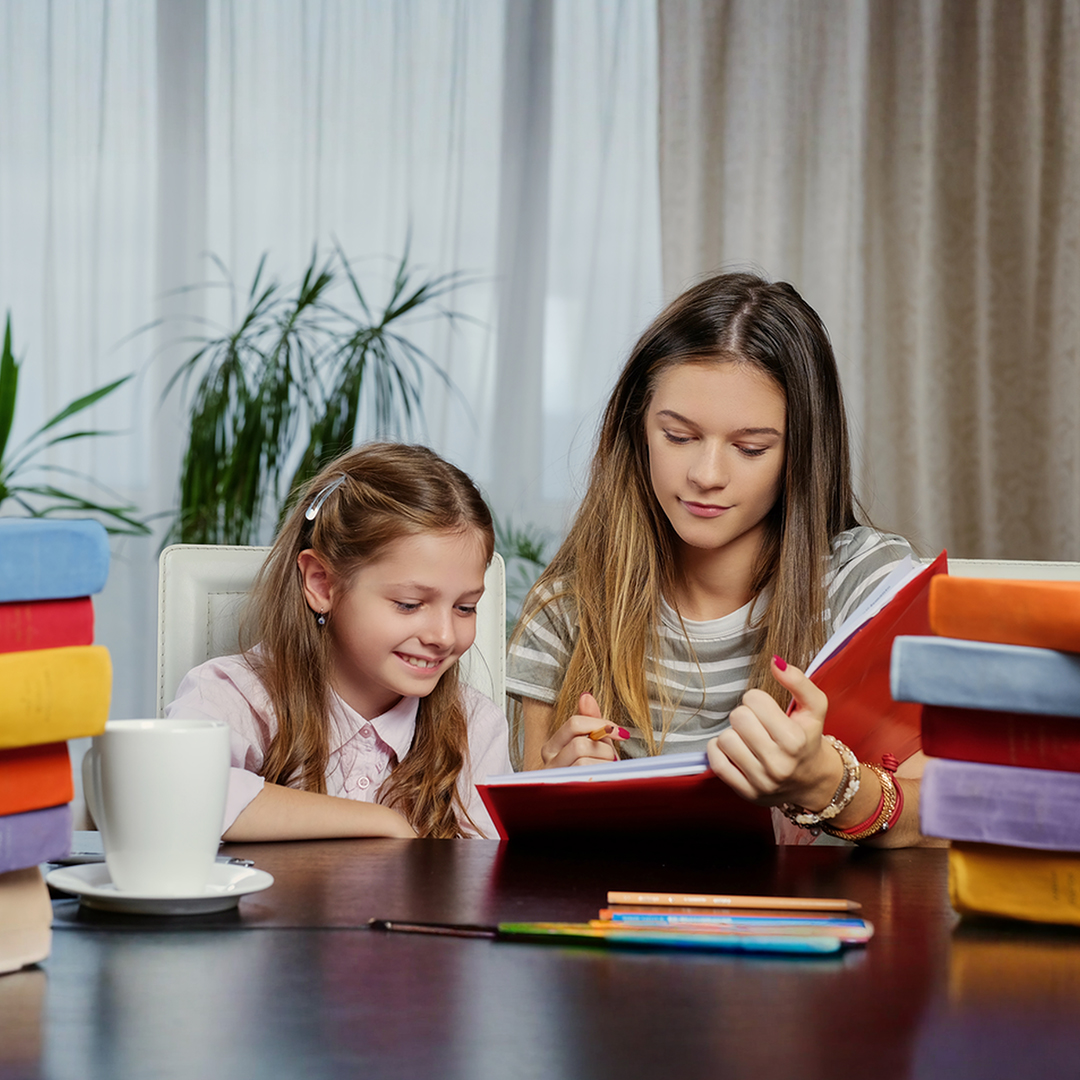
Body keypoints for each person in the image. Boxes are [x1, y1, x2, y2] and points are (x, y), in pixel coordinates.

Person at [507, 272, 934, 847]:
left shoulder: (870, 588)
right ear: (638, 430)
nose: (707, 476)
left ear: (801, 452)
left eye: (750, 448)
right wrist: (554, 798)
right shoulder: (567, 610)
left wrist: (828, 785)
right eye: (678, 436)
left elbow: (946, 817)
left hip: (817, 928)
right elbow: (530, 850)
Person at [168, 443, 511, 840]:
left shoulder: (473, 727)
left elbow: (487, 878)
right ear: (322, 583)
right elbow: (175, 789)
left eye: (465, 608)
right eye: (409, 604)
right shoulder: (234, 696)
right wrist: (383, 823)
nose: (444, 636)